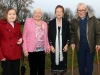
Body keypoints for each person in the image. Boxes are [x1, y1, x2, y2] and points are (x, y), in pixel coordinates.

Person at [70, 3, 100, 75]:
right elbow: (72, 33)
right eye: (79, 10)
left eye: (82, 10)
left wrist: (98, 43)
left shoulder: (93, 19)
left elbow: (98, 33)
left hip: (90, 46)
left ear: (86, 10)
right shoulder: (74, 20)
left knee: (89, 65)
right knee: (81, 65)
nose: (80, 12)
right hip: (80, 46)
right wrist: (72, 42)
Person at [22, 8, 50, 75]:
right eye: (36, 12)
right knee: (33, 69)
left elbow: (46, 37)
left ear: (41, 15)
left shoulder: (45, 24)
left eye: (39, 13)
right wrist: (25, 49)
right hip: (32, 50)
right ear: (33, 14)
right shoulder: (28, 22)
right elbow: (24, 36)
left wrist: (48, 46)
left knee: (41, 69)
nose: (37, 14)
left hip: (42, 50)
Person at [48, 5, 70, 75]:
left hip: (63, 48)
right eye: (57, 11)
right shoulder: (51, 23)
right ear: (55, 13)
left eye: (60, 11)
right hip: (54, 48)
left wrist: (67, 45)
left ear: (63, 13)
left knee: (62, 67)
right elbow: (49, 36)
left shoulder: (66, 23)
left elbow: (68, 35)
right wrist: (51, 45)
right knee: (55, 67)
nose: (59, 13)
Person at [0, 8, 22, 75]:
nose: (12, 16)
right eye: (10, 14)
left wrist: (21, 39)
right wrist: (1, 55)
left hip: (16, 53)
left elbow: (20, 35)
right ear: (6, 15)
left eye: (14, 14)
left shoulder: (17, 24)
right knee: (7, 73)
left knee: (16, 72)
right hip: (6, 54)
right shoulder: (1, 25)